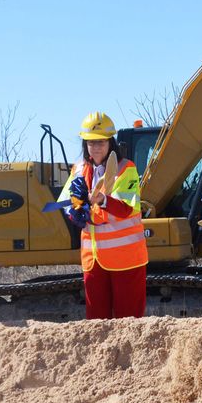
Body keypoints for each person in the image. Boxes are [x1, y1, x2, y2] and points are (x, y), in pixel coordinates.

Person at [57, 112, 148, 319]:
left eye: (100, 142)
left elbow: (127, 208)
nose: (95, 147)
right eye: (90, 142)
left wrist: (102, 200)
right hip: (93, 261)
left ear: (110, 142)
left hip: (126, 259)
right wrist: (75, 210)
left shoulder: (126, 169)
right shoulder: (79, 169)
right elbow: (66, 203)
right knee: (96, 324)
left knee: (129, 321)